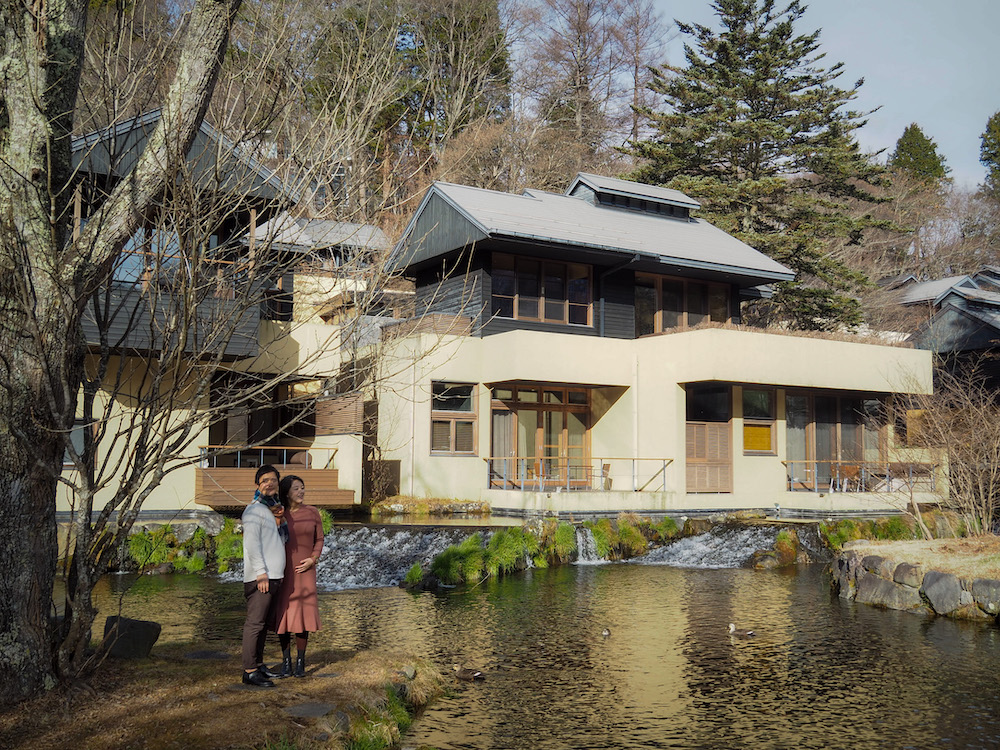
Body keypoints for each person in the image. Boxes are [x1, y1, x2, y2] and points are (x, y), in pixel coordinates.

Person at [240, 464, 287, 687]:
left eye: (273, 480)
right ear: (258, 484)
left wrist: (279, 522)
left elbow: (279, 541)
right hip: (261, 577)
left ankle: (258, 665)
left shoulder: (274, 510)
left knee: (263, 623)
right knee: (255, 624)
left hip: (274, 575)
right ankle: (249, 671)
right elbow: (252, 545)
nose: (270, 484)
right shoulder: (254, 510)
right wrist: (261, 574)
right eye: (265, 480)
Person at [273, 474, 324, 678]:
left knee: (303, 615)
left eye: (302, 487)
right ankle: (286, 662)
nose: (301, 491)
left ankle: (301, 662)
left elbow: (319, 539)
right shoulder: (279, 513)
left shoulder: (312, 512)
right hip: (283, 570)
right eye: (296, 488)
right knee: (284, 616)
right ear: (286, 492)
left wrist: (313, 559)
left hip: (306, 571)